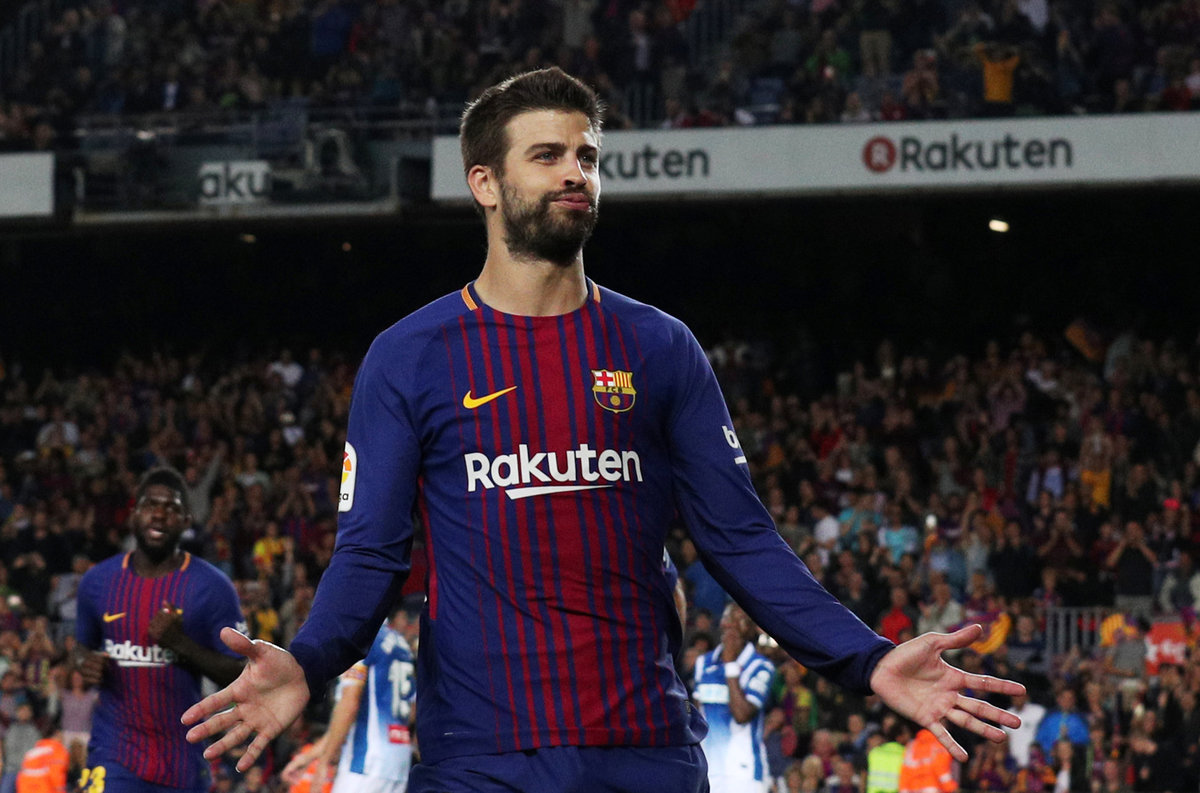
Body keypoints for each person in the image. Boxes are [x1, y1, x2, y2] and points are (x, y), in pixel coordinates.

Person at [182, 67, 1023, 793]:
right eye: (547, 155)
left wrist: (866, 657)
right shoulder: (409, 357)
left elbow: (740, 539)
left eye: (586, 156)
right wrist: (309, 658)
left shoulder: (660, 346)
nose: (574, 173)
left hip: (646, 750)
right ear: (485, 183)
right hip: (481, 757)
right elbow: (371, 552)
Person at [75, 466, 247, 793]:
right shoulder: (97, 582)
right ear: (133, 515)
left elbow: (241, 672)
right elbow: (81, 648)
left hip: (182, 763)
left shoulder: (211, 587)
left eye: (171, 508)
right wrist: (85, 663)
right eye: (150, 505)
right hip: (113, 753)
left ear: (186, 521)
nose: (158, 514)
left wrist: (181, 644)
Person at [281, 607, 416, 793]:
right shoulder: (401, 645)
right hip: (398, 762)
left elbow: (349, 705)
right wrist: (308, 757)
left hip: (365, 763)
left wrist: (324, 762)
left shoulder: (361, 640)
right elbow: (412, 711)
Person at [693, 604, 774, 792]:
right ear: (722, 623)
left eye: (742, 621)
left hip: (744, 772)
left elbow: (742, 715)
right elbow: (696, 711)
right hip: (708, 769)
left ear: (751, 629)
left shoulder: (761, 667)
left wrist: (730, 665)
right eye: (730, 619)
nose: (735, 625)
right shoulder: (703, 663)